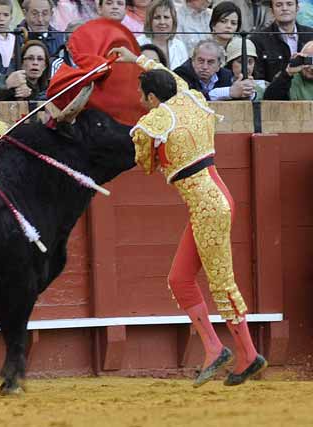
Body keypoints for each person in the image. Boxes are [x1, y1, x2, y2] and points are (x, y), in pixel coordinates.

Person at [110, 44, 268, 387]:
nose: (139, 99)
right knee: (179, 279)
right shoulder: (188, 96)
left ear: (152, 98)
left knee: (222, 282)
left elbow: (147, 166)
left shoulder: (152, 122)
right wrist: (134, 58)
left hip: (207, 206)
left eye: (141, 94)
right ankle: (214, 348)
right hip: (214, 197)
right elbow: (167, 76)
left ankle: (248, 354)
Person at [251, 0, 313, 82]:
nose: (284, 8)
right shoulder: (258, 39)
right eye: (279, 5)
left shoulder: (310, 34)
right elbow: (258, 79)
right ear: (271, 11)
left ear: (297, 8)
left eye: (289, 4)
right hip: (273, 93)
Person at [174, 39, 255, 100]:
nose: (205, 67)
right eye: (201, 61)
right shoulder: (180, 75)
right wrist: (228, 92)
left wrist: (247, 91)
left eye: (210, 62)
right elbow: (192, 100)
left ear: (219, 66)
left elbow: (236, 98)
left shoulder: (226, 76)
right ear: (193, 61)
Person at [136, 0, 188, 69]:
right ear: (150, 21)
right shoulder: (138, 43)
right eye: (157, 17)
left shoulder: (180, 46)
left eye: (166, 17)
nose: (162, 22)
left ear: (173, 20)